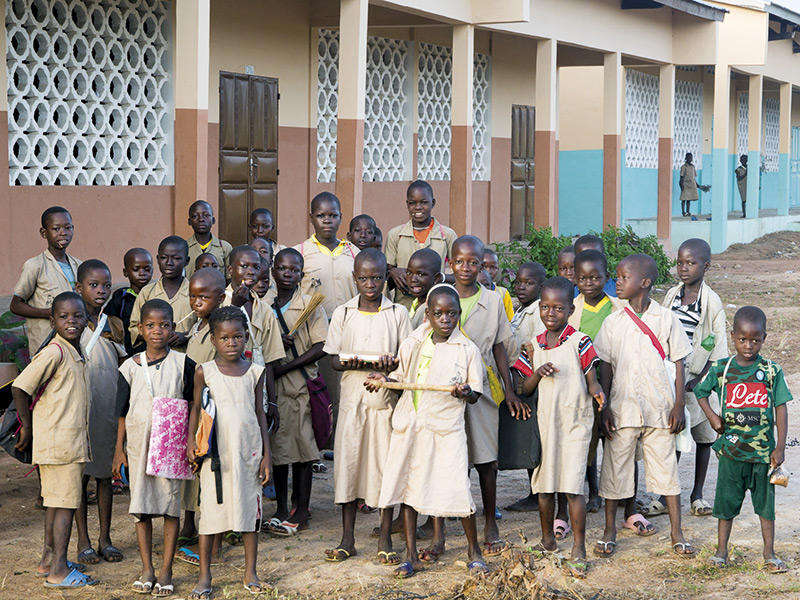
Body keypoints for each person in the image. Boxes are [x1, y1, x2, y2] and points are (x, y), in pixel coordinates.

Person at [369, 284, 489, 578]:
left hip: (446, 428)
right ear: (428, 314)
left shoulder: (467, 349)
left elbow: (475, 392)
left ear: (459, 315)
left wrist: (464, 393)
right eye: (438, 313)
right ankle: (411, 556)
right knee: (409, 489)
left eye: (451, 314)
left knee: (458, 488)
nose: (445, 319)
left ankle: (475, 552)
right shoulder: (413, 342)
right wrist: (382, 379)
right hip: (411, 425)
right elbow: (399, 377)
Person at [593, 254, 695, 558]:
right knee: (615, 469)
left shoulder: (666, 319)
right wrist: (605, 406)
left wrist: (679, 405)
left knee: (667, 469)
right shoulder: (613, 322)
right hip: (623, 408)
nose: (618, 282)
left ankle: (677, 532)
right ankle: (610, 530)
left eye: (624, 277)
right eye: (618, 277)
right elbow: (606, 367)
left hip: (659, 408)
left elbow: (679, 364)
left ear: (645, 283)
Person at [322, 249, 411, 564]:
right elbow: (334, 358)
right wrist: (353, 361)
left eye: (376, 277)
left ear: (386, 277)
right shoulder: (344, 313)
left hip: (384, 402)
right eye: (363, 278)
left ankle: (385, 535)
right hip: (352, 400)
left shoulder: (398, 314)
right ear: (354, 278)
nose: (370, 284)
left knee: (384, 466)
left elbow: (406, 359)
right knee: (349, 465)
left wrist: (390, 366)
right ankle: (347, 537)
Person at [693, 306, 791, 573]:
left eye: (755, 340)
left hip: (762, 456)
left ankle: (769, 554)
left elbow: (781, 408)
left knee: (765, 508)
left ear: (764, 338)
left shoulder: (772, 371)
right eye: (742, 339)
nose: (748, 346)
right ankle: (721, 551)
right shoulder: (722, 369)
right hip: (731, 455)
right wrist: (712, 416)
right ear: (732, 336)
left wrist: (780, 446)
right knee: (725, 505)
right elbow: (700, 392)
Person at [450, 235, 531, 557]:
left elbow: (499, 345)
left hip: (482, 383)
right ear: (450, 263)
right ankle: (445, 518)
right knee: (452, 454)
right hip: (447, 385)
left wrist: (508, 389)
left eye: (474, 262)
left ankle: (489, 520)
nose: (467, 268)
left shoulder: (493, 299)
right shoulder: (439, 295)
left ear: (482, 265)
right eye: (460, 261)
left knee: (486, 457)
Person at [12, 291, 98, 588]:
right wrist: (27, 427)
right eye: (63, 317)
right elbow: (21, 387)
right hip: (61, 445)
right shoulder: (55, 352)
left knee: (54, 503)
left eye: (77, 316)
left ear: (87, 320)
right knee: (64, 505)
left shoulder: (75, 350)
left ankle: (48, 560)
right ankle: (59, 571)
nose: (71, 321)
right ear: (52, 321)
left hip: (63, 443)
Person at [521, 276, 605, 578]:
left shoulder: (580, 341)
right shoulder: (533, 346)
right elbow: (525, 387)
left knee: (571, 487)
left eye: (558, 308)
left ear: (570, 309)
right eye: (545, 307)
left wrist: (597, 392)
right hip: (546, 425)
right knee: (544, 486)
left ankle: (579, 547)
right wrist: (537, 373)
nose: (550, 313)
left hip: (574, 424)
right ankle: (547, 540)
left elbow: (591, 377)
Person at [187, 307, 273, 597]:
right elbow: (196, 409)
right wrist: (190, 444)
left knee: (249, 512)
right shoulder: (204, 372)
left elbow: (260, 414)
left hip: (249, 452)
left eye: (238, 336)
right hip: (215, 456)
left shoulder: (255, 372)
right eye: (225, 337)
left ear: (246, 337)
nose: (232, 342)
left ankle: (251, 572)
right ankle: (205, 576)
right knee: (210, 514)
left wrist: (267, 456)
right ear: (213, 340)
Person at [113, 299, 196, 595]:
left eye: (164, 325)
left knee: (171, 504)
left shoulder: (184, 364)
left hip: (171, 447)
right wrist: (118, 450)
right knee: (142, 507)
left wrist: (190, 441)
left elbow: (193, 405)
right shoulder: (128, 367)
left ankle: (166, 569)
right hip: (138, 445)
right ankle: (147, 567)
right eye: (150, 325)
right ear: (140, 329)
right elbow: (121, 412)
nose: (157, 331)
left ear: (173, 328)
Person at [656, 239, 727, 519]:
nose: (683, 269)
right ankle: (665, 494)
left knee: (703, 438)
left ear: (706, 266)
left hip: (698, 379)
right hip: (673, 376)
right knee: (673, 434)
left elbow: (718, 345)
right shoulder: (672, 296)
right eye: (680, 263)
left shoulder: (710, 303)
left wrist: (700, 382)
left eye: (691, 263)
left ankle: (697, 494)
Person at [263, 248, 328, 536]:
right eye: (282, 268)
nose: (287, 273)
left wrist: (285, 367)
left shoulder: (310, 305)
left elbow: (320, 347)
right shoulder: (265, 305)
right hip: (273, 388)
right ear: (273, 271)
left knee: (303, 451)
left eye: (294, 269)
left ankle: (301, 509)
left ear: (301, 274)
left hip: (300, 387)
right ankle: (280, 507)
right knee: (279, 449)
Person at [294, 192, 360, 444]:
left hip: (349, 334)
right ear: (311, 218)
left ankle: (344, 441)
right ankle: (320, 442)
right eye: (321, 216)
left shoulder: (353, 253)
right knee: (319, 388)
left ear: (341, 218)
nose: (327, 221)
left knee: (347, 388)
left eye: (333, 216)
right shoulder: (301, 252)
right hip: (315, 336)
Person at [74, 260, 126, 566]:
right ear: (79, 288)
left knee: (105, 477)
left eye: (106, 285)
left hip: (107, 412)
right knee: (80, 478)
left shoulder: (114, 325)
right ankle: (83, 540)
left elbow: (125, 370)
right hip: (79, 414)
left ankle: (105, 539)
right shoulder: (70, 322)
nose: (101, 291)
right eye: (93, 285)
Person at [175, 268, 227, 565]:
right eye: (192, 296)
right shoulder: (197, 326)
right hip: (196, 408)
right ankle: (190, 524)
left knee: (213, 477)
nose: (196, 302)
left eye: (203, 297)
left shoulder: (221, 329)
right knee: (194, 472)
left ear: (220, 298)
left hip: (214, 412)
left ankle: (216, 542)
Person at [570, 249, 625, 516]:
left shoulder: (619, 306)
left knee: (616, 438)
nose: (589, 283)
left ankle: (621, 492)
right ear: (575, 279)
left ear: (607, 277)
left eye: (595, 277)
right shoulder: (572, 309)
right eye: (582, 278)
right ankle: (593, 491)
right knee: (587, 439)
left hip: (615, 382)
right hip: (584, 385)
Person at [11, 206, 82, 356]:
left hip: (76, 343)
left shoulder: (79, 266)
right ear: (44, 233)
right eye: (56, 229)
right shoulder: (35, 266)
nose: (63, 232)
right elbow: (15, 305)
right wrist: (48, 313)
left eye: (68, 227)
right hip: (46, 345)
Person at [504, 261, 546, 513]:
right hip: (520, 382)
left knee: (535, 439)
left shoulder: (539, 313)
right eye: (518, 282)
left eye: (529, 283)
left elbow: (536, 350)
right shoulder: (521, 310)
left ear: (540, 286)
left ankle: (537, 494)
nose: (521, 287)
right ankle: (534, 491)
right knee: (529, 439)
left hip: (533, 383)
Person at [386, 180, 458, 311]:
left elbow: (459, 275)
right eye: (413, 203)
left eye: (423, 202)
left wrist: (441, 278)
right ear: (407, 204)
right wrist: (393, 272)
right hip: (404, 305)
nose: (418, 207)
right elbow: (388, 272)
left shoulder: (446, 235)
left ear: (433, 203)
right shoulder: (396, 235)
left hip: (436, 304)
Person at [129, 236, 196, 352]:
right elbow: (134, 329)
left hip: (186, 359)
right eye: (164, 258)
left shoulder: (195, 293)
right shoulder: (147, 292)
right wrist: (155, 335)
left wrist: (186, 336)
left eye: (176, 258)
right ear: (158, 259)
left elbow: (205, 327)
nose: (169, 263)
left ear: (187, 261)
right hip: (154, 360)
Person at [106, 248, 153, 355]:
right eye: (136, 269)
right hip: (128, 354)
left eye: (147, 269)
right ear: (125, 272)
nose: (142, 273)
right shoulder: (121, 298)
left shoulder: (156, 295)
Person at [185, 200, 232, 278]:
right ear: (189, 221)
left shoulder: (224, 247)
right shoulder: (184, 248)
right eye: (195, 216)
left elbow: (229, 278)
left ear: (213, 220)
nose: (201, 219)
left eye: (206, 215)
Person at [404, 248, 444, 329]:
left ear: (436, 278)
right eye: (409, 273)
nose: (413, 279)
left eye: (421, 275)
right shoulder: (417, 302)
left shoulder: (433, 310)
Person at [479, 248, 514, 321]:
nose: (489, 271)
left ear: (498, 269)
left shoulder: (502, 293)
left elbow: (510, 320)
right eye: (485, 267)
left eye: (493, 268)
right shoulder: (469, 291)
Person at [680, 152, 700, 218]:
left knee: (689, 199)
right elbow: (681, 177)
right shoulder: (683, 167)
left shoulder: (693, 166)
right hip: (685, 184)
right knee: (684, 198)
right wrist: (681, 185)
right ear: (686, 158)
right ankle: (683, 212)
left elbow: (693, 177)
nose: (690, 159)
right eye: (688, 157)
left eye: (691, 157)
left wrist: (697, 184)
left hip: (692, 184)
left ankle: (688, 211)